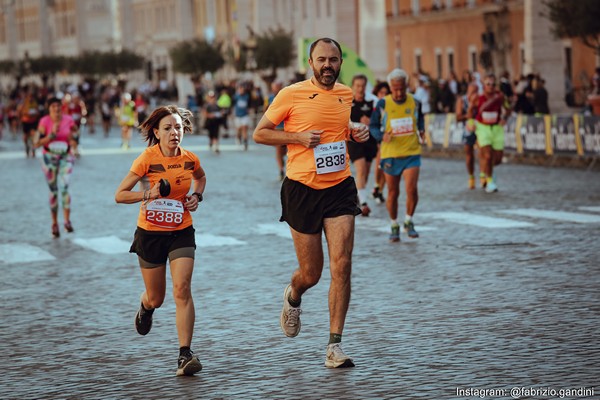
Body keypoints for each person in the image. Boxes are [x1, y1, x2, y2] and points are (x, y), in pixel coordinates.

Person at [253, 37, 370, 368]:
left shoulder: (346, 95)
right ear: (311, 62)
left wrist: (354, 132)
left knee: (342, 264)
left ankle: (334, 345)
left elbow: (338, 129)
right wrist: (296, 137)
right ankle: (293, 294)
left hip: (339, 188)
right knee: (312, 272)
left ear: (340, 62)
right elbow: (260, 133)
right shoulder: (291, 94)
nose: (328, 65)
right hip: (302, 190)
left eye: (333, 59)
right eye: (322, 59)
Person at [114, 105, 206, 377]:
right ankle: (145, 306)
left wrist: (196, 197)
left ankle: (184, 354)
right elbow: (120, 194)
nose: (174, 132)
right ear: (156, 132)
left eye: (177, 127)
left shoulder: (190, 159)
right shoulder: (147, 159)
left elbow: (200, 178)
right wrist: (149, 194)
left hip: (181, 229)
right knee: (157, 297)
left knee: (183, 289)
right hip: (151, 233)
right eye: (167, 128)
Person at [369, 69, 425, 242]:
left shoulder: (415, 102)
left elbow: (420, 119)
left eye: (402, 88)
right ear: (391, 88)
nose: (399, 93)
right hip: (390, 154)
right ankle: (394, 224)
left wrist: (422, 130)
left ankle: (409, 220)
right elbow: (373, 126)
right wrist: (381, 135)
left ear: (407, 86)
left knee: (411, 189)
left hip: (411, 152)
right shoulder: (382, 104)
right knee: (393, 192)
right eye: (395, 89)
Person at [33, 97, 78, 237]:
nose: (56, 109)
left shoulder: (68, 120)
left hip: (65, 156)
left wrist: (73, 140)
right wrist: (51, 135)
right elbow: (36, 143)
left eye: (58, 106)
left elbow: (75, 134)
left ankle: (67, 221)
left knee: (64, 187)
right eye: (53, 107)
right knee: (53, 190)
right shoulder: (44, 122)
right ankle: (54, 224)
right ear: (49, 108)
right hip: (49, 157)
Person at [468, 73, 511, 193]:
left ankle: (486, 171)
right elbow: (470, 110)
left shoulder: (500, 96)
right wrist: (471, 121)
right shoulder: (478, 97)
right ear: (484, 85)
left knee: (497, 159)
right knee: (487, 155)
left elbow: (508, 108)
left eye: (493, 84)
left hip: (497, 128)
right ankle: (490, 181)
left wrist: (505, 118)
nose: (491, 86)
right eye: (488, 84)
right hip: (483, 128)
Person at [348, 74, 377, 216]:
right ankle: (364, 203)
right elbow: (342, 122)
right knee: (360, 169)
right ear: (353, 87)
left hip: (369, 140)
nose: (360, 89)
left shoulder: (372, 101)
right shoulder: (347, 102)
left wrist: (371, 121)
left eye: (363, 86)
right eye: (357, 86)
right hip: (354, 140)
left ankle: (359, 196)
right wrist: (357, 124)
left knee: (365, 171)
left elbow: (379, 120)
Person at [455, 83, 479, 189]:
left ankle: (485, 175)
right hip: (467, 129)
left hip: (480, 128)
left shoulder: (480, 99)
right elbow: (458, 117)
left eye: (476, 92)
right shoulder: (462, 100)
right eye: (472, 92)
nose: (474, 94)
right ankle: (471, 176)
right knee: (469, 154)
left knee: (484, 152)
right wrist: (467, 116)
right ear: (468, 91)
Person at [370, 81, 390, 204]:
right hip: (375, 136)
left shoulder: (389, 104)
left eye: (386, 93)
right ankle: (377, 184)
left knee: (386, 165)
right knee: (379, 162)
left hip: (388, 136)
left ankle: (380, 189)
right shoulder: (374, 103)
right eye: (381, 92)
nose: (383, 95)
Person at [267, 80, 287, 180]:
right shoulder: (270, 98)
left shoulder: (286, 97)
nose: (276, 88)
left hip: (288, 128)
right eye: (274, 87)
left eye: (277, 86)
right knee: (279, 150)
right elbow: (266, 111)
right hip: (277, 129)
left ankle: (283, 161)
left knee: (287, 151)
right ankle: (281, 170)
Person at [18, 87, 41, 158]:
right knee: (26, 136)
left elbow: (38, 112)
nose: (30, 98)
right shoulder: (24, 103)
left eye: (32, 96)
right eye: (29, 96)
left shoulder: (35, 103)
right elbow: (19, 111)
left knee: (33, 135)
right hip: (26, 121)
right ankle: (27, 147)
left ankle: (33, 150)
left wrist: (35, 114)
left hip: (33, 121)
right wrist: (23, 115)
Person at [233, 83, 251, 150]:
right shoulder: (236, 97)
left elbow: (249, 105)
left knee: (244, 128)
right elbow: (233, 105)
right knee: (238, 129)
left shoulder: (247, 96)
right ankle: (238, 137)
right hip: (238, 115)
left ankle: (245, 142)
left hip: (244, 115)